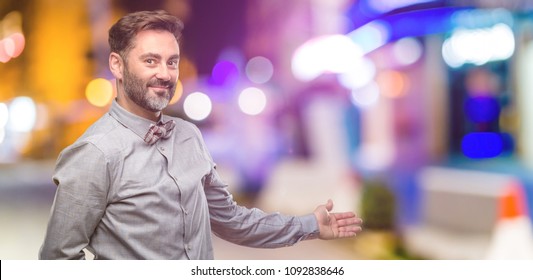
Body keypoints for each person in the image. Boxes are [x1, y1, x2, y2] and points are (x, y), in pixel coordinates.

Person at [39, 10, 363, 260]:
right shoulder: (94, 152)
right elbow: (58, 259)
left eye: (172, 62)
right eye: (150, 60)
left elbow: (232, 220)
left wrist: (310, 226)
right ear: (117, 65)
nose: (164, 74)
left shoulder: (189, 137)